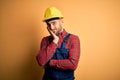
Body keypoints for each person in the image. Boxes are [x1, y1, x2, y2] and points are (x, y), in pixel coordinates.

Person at [36, 6, 80, 80]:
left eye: (54, 23)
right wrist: (54, 42)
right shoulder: (45, 40)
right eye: (48, 25)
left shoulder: (73, 39)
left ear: (61, 21)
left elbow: (73, 64)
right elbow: (41, 61)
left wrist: (50, 62)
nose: (52, 27)